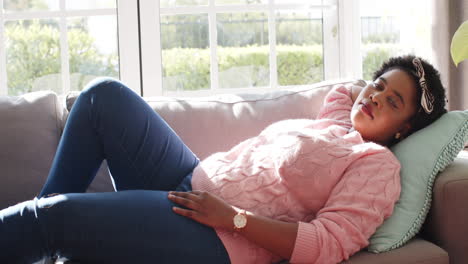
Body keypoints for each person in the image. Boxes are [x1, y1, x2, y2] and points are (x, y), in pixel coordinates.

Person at [0, 55, 447, 264]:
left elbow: (327, 244)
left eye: (393, 102)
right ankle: (33, 243)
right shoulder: (336, 125)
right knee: (102, 98)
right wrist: (377, 96)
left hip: (216, 235)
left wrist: (231, 219)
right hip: (188, 178)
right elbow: (344, 94)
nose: (374, 97)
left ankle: (36, 232)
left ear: (404, 130)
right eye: (378, 85)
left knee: (55, 217)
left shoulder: (377, 166)